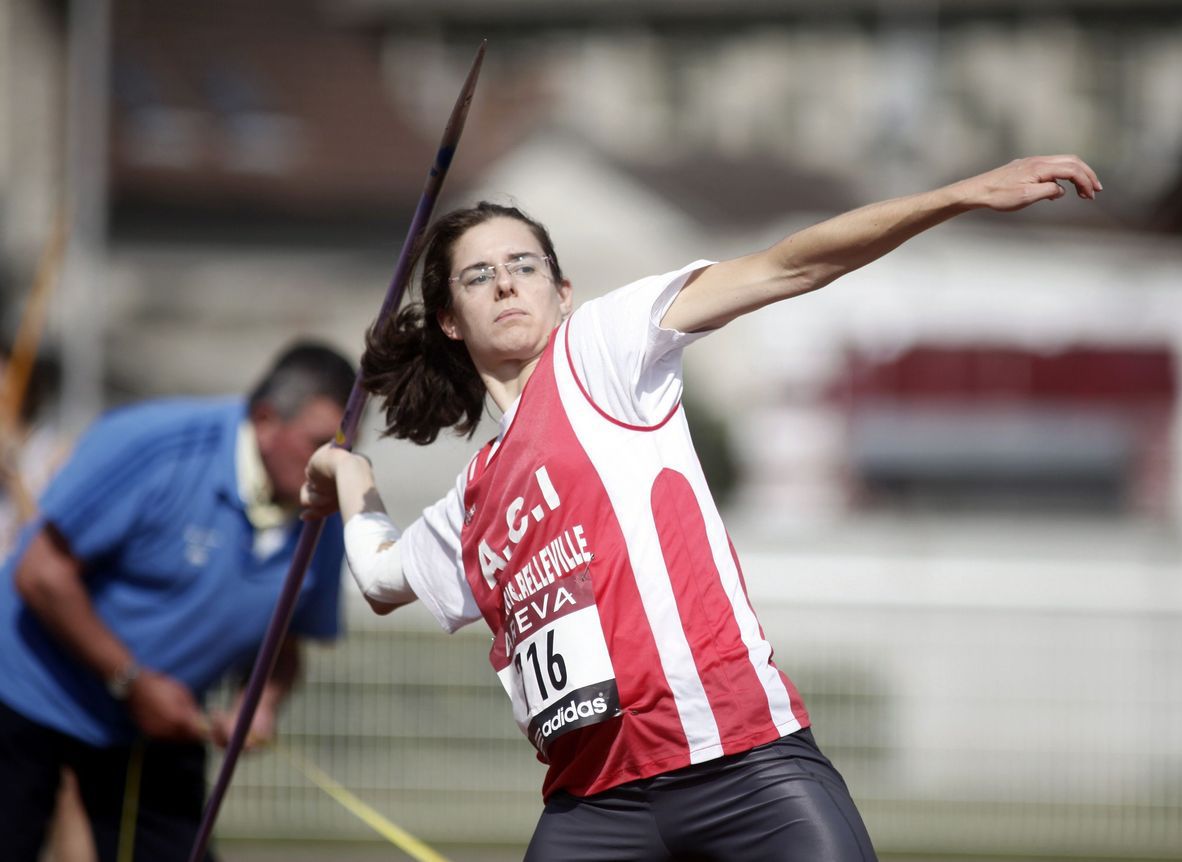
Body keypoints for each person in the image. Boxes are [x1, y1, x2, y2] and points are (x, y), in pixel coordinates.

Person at [302, 155, 1102, 861]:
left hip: (743, 765)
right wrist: (346, 471)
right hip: (594, 805)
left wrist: (961, 194)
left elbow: (790, 266)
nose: (506, 282)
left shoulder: (601, 352)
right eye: (478, 275)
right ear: (449, 317)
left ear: (562, 289)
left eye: (525, 265)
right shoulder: (473, 499)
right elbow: (379, 576)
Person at [0, 340, 356, 862]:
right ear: (265, 421)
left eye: (346, 450)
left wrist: (259, 706)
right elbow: (41, 574)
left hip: (157, 723)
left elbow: (287, 641)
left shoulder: (326, 509)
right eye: (319, 443)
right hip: (25, 693)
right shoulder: (156, 445)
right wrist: (131, 681)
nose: (334, 464)